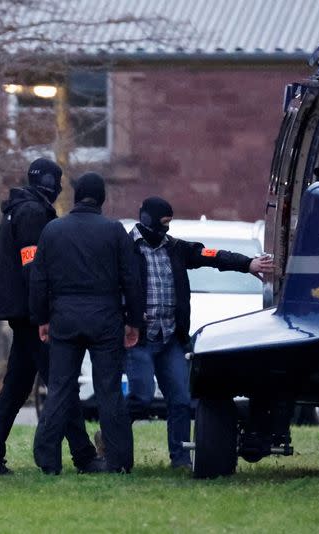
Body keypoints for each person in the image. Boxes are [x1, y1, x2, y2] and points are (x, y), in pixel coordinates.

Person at [124, 196, 274, 469]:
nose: (166, 231)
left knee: (181, 401)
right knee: (140, 399)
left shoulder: (176, 249)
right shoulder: (124, 249)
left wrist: (248, 264)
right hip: (140, 339)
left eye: (169, 224)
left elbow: (212, 256)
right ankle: (113, 444)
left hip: (170, 338)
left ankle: (180, 458)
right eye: (162, 224)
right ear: (147, 221)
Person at [0, 158, 99, 476]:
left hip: (24, 313)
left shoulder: (22, 208)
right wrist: (45, 311)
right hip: (32, 314)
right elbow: (33, 267)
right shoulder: (33, 213)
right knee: (61, 385)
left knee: (16, 387)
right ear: (48, 181)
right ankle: (84, 455)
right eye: (56, 181)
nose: (59, 187)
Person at [30, 172, 142, 475]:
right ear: (102, 198)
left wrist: (42, 319)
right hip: (105, 318)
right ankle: (119, 460)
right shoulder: (115, 231)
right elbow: (131, 279)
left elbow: (38, 280)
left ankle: (47, 458)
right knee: (109, 390)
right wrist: (133, 321)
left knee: (60, 389)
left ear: (76, 196)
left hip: (64, 318)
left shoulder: (53, 230)